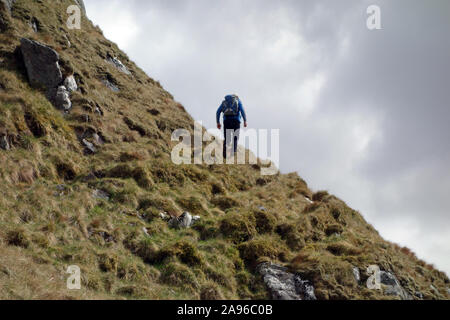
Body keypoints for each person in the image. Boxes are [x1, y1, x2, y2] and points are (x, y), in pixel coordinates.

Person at [216, 94, 247, 159]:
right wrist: (245, 121)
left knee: (227, 138)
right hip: (236, 121)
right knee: (235, 137)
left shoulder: (225, 102)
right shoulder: (238, 101)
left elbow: (218, 112)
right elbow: (242, 110)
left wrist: (218, 122)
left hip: (226, 121)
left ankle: (224, 155)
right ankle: (233, 153)